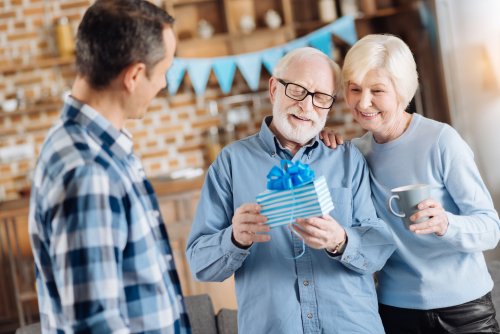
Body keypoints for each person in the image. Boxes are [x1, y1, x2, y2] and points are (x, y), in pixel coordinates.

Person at [186, 47, 395, 334]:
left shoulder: (347, 158)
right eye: (297, 90)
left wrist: (341, 240)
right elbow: (200, 264)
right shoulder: (231, 163)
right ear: (274, 89)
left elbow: (380, 247)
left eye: (321, 97)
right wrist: (234, 239)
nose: (307, 107)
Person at [28, 1, 191, 332]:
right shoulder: (89, 171)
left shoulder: (81, 144)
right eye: (163, 71)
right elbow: (96, 323)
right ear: (134, 75)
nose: (162, 84)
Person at [322, 34, 500, 333]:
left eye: (377, 90)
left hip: (465, 311)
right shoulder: (356, 154)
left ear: (402, 91)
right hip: (396, 311)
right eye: (354, 89)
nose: (363, 102)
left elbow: (490, 229)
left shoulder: (442, 141)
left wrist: (446, 224)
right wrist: (323, 148)